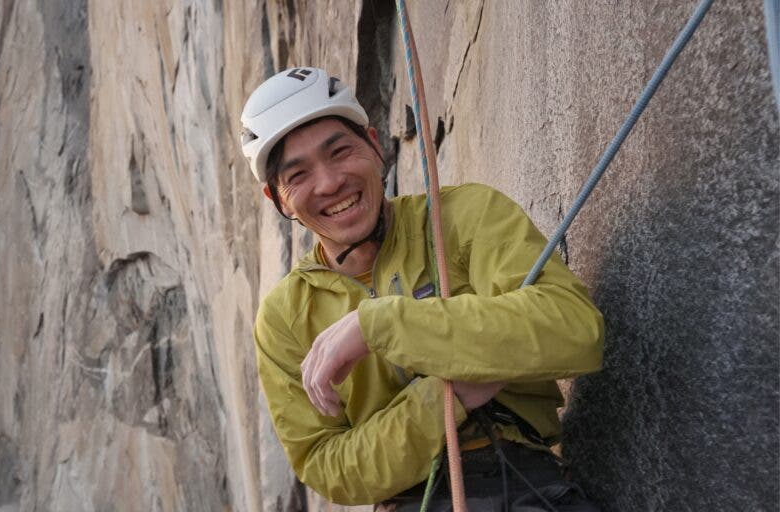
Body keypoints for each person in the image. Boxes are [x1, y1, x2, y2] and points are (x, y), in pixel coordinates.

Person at [243, 67, 605, 511]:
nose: (330, 182)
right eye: (297, 176)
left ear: (375, 146)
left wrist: (378, 324)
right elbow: (326, 467)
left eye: (340, 151)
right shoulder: (285, 318)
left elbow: (574, 328)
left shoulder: (461, 217)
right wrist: (447, 397)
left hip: (529, 481)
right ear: (277, 198)